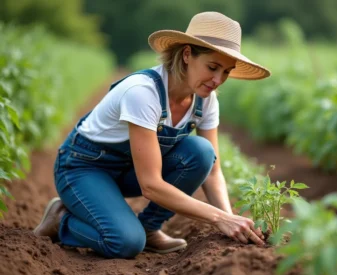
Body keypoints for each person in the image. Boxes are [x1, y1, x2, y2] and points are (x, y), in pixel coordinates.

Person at [33, 11, 271, 259]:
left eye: (226, 72)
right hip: (84, 168)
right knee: (125, 242)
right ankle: (61, 220)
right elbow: (151, 185)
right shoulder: (143, 93)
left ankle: (148, 227)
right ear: (187, 54)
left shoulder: (206, 100)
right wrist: (219, 218)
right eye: (212, 67)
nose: (217, 80)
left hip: (128, 171)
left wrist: (231, 220)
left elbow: (212, 171)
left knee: (202, 153)